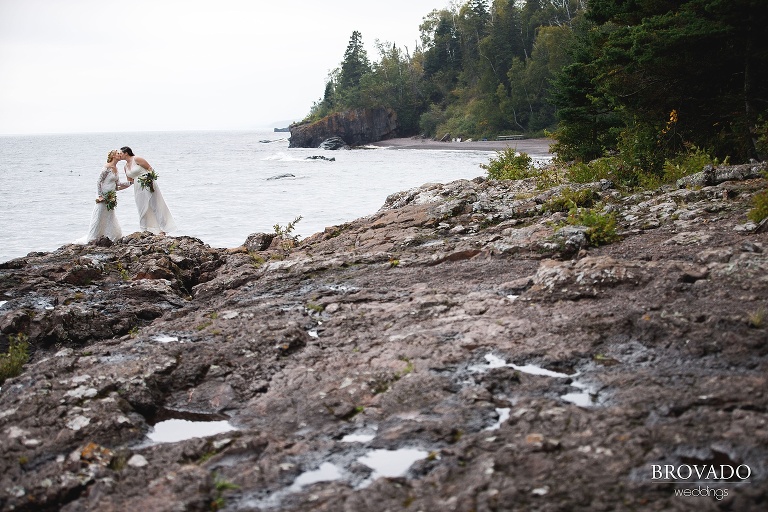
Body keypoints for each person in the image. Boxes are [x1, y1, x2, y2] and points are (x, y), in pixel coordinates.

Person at [75, 150, 133, 243]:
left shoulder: (116, 168)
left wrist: (130, 183)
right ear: (113, 156)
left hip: (111, 196)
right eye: (118, 154)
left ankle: (110, 235)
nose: (120, 155)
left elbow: (118, 183)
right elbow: (99, 181)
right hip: (103, 196)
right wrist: (100, 195)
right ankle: (94, 237)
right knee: (100, 215)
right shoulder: (107, 167)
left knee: (109, 215)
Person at [118, 146, 177, 235]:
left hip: (148, 183)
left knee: (155, 205)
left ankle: (163, 229)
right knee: (142, 207)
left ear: (126, 153)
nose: (119, 155)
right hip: (138, 188)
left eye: (121, 153)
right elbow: (130, 181)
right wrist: (117, 188)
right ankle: (145, 229)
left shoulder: (137, 159)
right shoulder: (125, 167)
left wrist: (150, 180)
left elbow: (150, 168)